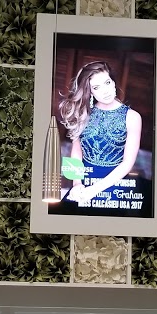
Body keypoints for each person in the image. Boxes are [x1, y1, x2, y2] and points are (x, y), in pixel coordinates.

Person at [57, 60, 142, 207]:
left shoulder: (132, 117)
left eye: (107, 83)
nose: (105, 91)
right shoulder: (82, 113)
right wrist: (77, 183)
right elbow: (76, 152)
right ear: (90, 92)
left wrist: (93, 191)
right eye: (96, 87)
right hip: (83, 182)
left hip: (115, 183)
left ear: (114, 82)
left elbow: (128, 162)